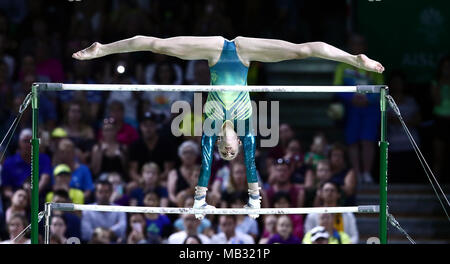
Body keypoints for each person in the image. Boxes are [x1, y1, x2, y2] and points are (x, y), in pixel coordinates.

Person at [73, 34, 385, 219]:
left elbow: (205, 163)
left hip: (215, 54)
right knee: (302, 51)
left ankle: (102, 48)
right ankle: (355, 60)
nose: (224, 145)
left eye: (222, 147)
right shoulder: (247, 126)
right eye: (229, 148)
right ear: (236, 144)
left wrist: (199, 200)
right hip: (245, 55)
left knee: (158, 46)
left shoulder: (210, 127)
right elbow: (250, 165)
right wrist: (254, 201)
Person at [333, 33, 384, 184]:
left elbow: (382, 87)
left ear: (365, 46)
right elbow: (336, 87)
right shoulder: (342, 66)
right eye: (354, 44)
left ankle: (367, 173)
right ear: (350, 46)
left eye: (360, 43)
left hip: (370, 108)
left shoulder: (374, 65)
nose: (357, 47)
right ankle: (357, 173)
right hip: (351, 108)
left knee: (368, 141)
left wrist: (368, 99)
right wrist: (351, 98)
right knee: (353, 141)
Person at [386, 71, 421, 183]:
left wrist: (400, 120)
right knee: (395, 174)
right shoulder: (386, 100)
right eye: (395, 82)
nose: (397, 85)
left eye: (400, 82)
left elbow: (418, 119)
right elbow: (388, 118)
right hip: (393, 144)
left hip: (411, 142)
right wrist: (407, 120)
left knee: (410, 174)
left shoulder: (411, 100)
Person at [1, 128, 52, 200]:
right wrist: (18, 198)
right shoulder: (9, 162)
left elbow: (45, 178)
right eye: (25, 141)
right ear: (19, 142)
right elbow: (6, 190)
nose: (28, 144)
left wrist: (33, 194)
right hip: (17, 197)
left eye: (30, 142)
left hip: (38, 196)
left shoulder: (44, 159)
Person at [128, 111, 177, 184]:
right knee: (129, 187)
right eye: (145, 125)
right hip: (141, 181)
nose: (148, 128)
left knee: (168, 186)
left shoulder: (166, 144)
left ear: (156, 126)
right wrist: (141, 180)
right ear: (140, 127)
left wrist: (154, 180)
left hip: (161, 180)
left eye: (151, 125)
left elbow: (168, 169)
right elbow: (132, 170)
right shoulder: (135, 145)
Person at [431, 55, 450, 182]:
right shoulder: (435, 83)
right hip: (440, 120)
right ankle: (436, 186)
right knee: (438, 156)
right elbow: (437, 101)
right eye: (445, 67)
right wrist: (442, 81)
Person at [167, 140, 200, 207]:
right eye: (185, 152)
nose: (188, 155)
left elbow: (204, 188)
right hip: (180, 203)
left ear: (196, 155)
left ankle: (206, 217)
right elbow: (171, 195)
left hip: (199, 199)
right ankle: (183, 217)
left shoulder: (200, 170)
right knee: (182, 195)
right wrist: (178, 201)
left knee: (211, 196)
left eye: (191, 152)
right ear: (180, 155)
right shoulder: (174, 173)